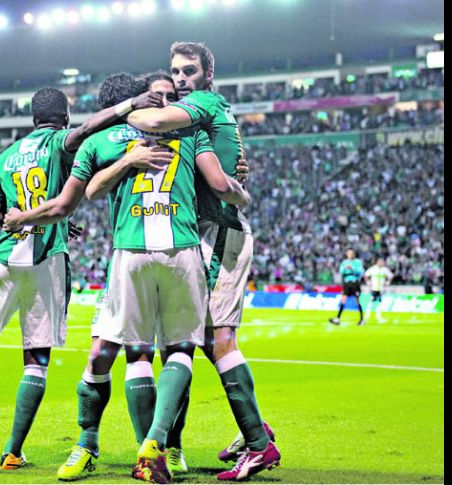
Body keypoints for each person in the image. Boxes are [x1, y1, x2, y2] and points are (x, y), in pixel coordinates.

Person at [3, 71, 250, 484]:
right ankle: (119, 444)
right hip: (167, 252)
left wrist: (20, 218)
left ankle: (149, 448)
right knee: (168, 351)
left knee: (126, 352)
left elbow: (76, 200)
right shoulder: (184, 132)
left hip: (135, 255)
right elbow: (221, 181)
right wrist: (241, 186)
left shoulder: (100, 141)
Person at [0, 84, 164, 470]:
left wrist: (20, 214)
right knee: (35, 360)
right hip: (47, 257)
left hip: (3, 255)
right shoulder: (58, 142)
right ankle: (12, 451)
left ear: (32, 118)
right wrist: (130, 105)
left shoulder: (6, 156)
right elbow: (86, 132)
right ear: (63, 117)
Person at [126, 42, 279, 481]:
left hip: (221, 234)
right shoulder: (203, 116)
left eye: (189, 70)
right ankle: (253, 429)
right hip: (207, 234)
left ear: (207, 75)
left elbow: (155, 121)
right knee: (200, 343)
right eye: (175, 70)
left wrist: (127, 110)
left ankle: (258, 444)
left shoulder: (203, 104)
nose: (181, 77)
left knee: (217, 341)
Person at [329, 249, 365, 326]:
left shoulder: (358, 262)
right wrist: (345, 269)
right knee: (343, 300)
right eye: (349, 253)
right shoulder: (344, 263)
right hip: (347, 283)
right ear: (347, 254)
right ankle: (337, 318)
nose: (350, 255)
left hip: (355, 283)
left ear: (354, 254)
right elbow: (341, 271)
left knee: (357, 301)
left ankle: (362, 320)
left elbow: (360, 272)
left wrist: (352, 269)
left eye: (352, 253)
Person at [363, 257, 393, 323]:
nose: (381, 263)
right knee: (371, 301)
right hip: (374, 288)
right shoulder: (373, 269)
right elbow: (365, 275)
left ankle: (378, 316)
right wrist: (368, 282)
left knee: (379, 303)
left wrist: (387, 283)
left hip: (381, 289)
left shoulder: (385, 269)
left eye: (382, 262)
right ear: (377, 262)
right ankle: (366, 316)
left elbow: (391, 276)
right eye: (380, 261)